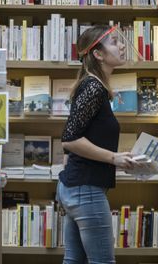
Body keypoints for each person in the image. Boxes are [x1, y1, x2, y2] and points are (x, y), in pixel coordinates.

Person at [57, 25, 140, 264]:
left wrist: (118, 155)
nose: (123, 46)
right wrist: (114, 158)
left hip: (74, 187)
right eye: (115, 42)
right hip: (86, 190)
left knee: (74, 261)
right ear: (98, 54)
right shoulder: (93, 87)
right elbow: (70, 138)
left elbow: (75, 138)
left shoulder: (94, 86)